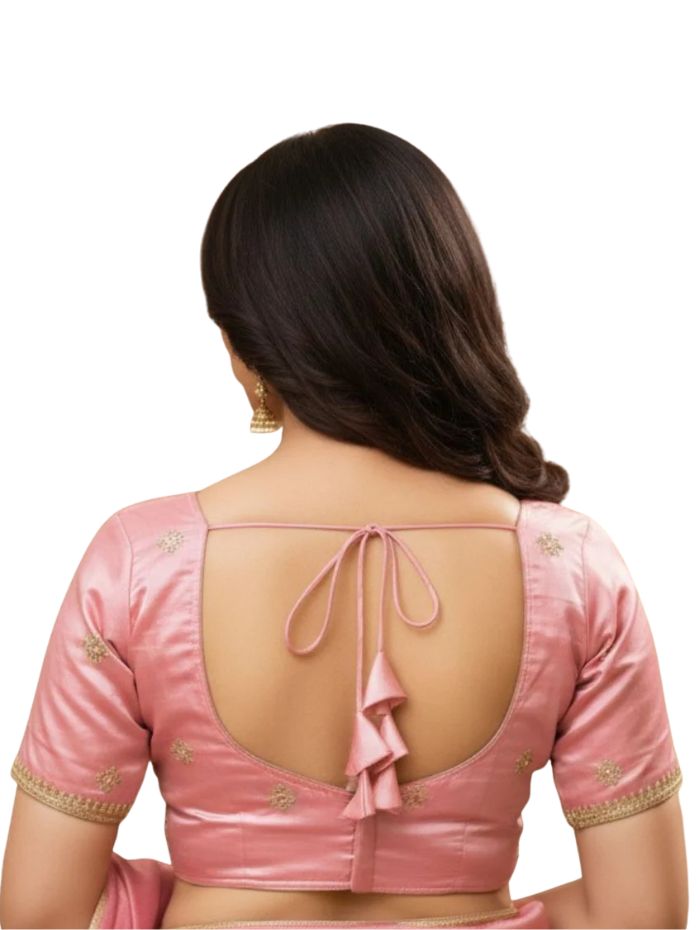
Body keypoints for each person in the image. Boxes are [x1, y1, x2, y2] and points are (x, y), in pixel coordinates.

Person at [0, 123, 687, 930]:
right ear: (456, 311)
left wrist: (186, 902)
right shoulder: (570, 564)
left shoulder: (142, 561)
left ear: (243, 345)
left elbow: (40, 913)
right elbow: (641, 915)